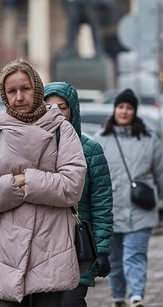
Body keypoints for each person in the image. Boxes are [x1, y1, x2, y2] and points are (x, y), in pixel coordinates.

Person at [0, 59, 87, 306]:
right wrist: (15, 183)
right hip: (7, 255)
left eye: (25, 88)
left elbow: (72, 186)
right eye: (11, 91)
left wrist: (29, 180)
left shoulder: (61, 131)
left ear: (37, 89)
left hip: (50, 252)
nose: (19, 97)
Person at [93, 89, 163, 307]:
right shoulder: (100, 140)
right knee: (114, 259)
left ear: (135, 111)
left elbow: (162, 174)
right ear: (115, 109)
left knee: (135, 255)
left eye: (129, 108)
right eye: (121, 107)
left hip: (141, 209)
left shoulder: (148, 139)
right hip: (110, 211)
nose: (124, 111)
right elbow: (92, 178)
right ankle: (117, 297)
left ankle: (136, 296)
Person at [44, 82, 114, 307]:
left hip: (76, 248)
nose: (56, 113)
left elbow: (101, 204)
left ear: (73, 109)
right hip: (41, 248)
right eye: (48, 107)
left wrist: (101, 250)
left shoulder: (91, 151)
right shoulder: (33, 148)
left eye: (62, 107)